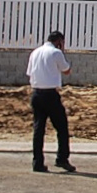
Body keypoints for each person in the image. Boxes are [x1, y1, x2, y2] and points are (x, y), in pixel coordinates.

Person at [26, 30, 76, 172]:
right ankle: (62, 158)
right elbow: (66, 70)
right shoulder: (56, 53)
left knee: (38, 129)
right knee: (62, 128)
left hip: (36, 93)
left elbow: (29, 72)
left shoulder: (35, 52)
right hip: (50, 95)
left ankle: (37, 162)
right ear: (59, 41)